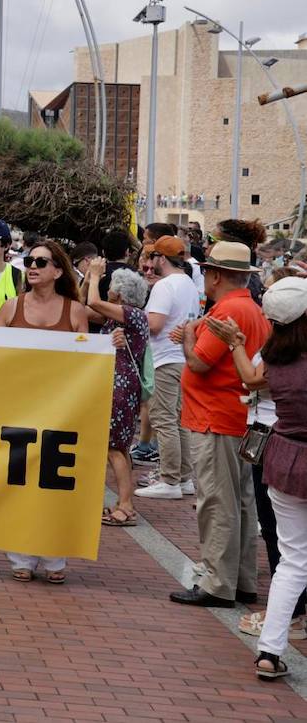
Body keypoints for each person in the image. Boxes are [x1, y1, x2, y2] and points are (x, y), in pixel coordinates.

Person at [195, 278, 307, 679]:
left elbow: (248, 378)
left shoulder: (275, 359)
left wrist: (237, 343)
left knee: (291, 561)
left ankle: (270, 651)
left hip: (284, 458)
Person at [169, 241, 268, 608]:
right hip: (238, 416)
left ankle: (216, 582)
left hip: (215, 417)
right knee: (240, 502)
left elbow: (199, 363)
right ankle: (240, 579)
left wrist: (189, 338)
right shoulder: (251, 308)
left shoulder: (228, 310)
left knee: (216, 501)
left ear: (215, 275)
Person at [0, 240, 85, 583]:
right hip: (17, 410)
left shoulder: (74, 312)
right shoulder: (10, 308)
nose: (32, 266)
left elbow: (86, 363)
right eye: (29, 261)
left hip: (60, 412)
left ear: (58, 271)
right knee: (18, 483)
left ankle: (54, 556)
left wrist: (111, 345)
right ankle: (20, 555)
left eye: (41, 262)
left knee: (53, 484)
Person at [83, 261, 151, 528]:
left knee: (113, 448)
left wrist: (94, 275)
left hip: (118, 386)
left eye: (111, 285)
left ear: (120, 293)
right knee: (118, 446)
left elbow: (93, 302)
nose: (107, 288)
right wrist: (87, 280)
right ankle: (123, 502)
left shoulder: (131, 314)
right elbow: (82, 307)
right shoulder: (121, 316)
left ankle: (126, 505)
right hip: (119, 385)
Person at [133, 236, 202, 500]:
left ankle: (170, 479)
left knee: (163, 419)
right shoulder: (188, 283)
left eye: (153, 257)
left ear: (161, 259)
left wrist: (132, 317)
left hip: (164, 359)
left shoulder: (165, 285)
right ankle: (183, 478)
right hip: (182, 358)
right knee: (178, 420)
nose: (150, 263)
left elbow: (155, 325)